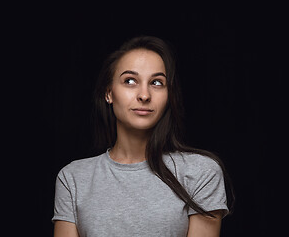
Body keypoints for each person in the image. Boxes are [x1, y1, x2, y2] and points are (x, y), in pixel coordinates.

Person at [52, 36, 234, 237]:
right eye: (130, 81)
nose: (144, 95)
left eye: (157, 83)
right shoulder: (74, 178)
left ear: (168, 95)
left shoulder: (200, 172)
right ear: (109, 93)